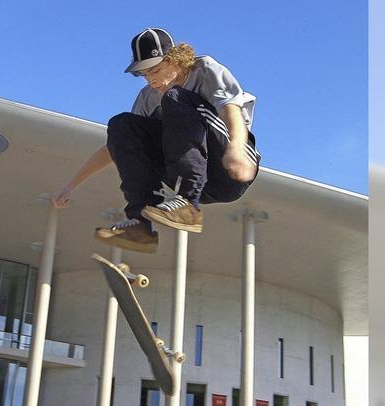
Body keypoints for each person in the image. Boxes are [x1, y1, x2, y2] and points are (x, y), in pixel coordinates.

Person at [52, 28, 261, 253]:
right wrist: (71, 185)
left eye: (156, 70)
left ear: (174, 59)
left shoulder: (205, 69)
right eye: (145, 75)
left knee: (175, 96)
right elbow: (117, 147)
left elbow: (231, 108)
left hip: (229, 166)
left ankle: (187, 203)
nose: (151, 81)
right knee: (122, 125)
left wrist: (237, 148)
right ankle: (140, 224)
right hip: (200, 180)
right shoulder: (146, 98)